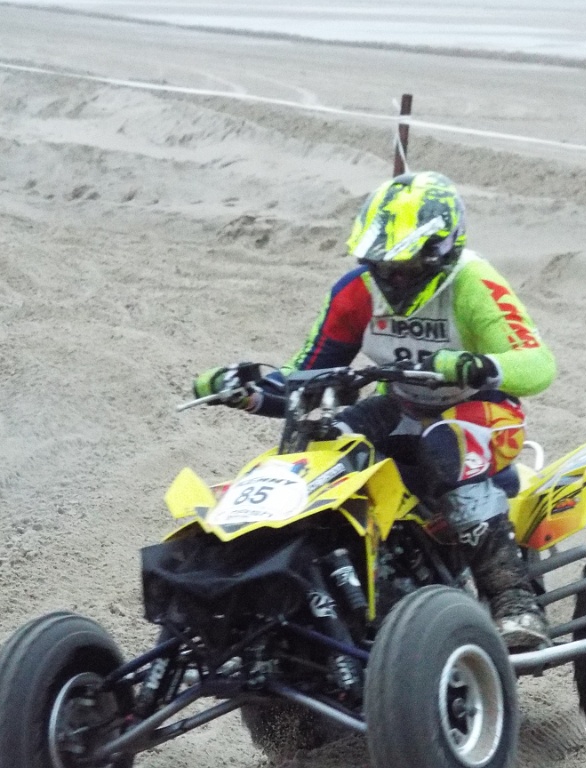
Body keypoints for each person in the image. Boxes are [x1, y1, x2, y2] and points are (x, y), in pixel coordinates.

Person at [193, 171, 556, 650]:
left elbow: (538, 365)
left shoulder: (474, 283)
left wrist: (474, 364)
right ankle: (354, 584)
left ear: (440, 252)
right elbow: (309, 376)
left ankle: (514, 601)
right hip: (401, 404)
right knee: (327, 444)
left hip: (484, 412)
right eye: (380, 265)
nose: (391, 278)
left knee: (446, 447)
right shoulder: (357, 291)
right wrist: (250, 392)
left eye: (404, 267)